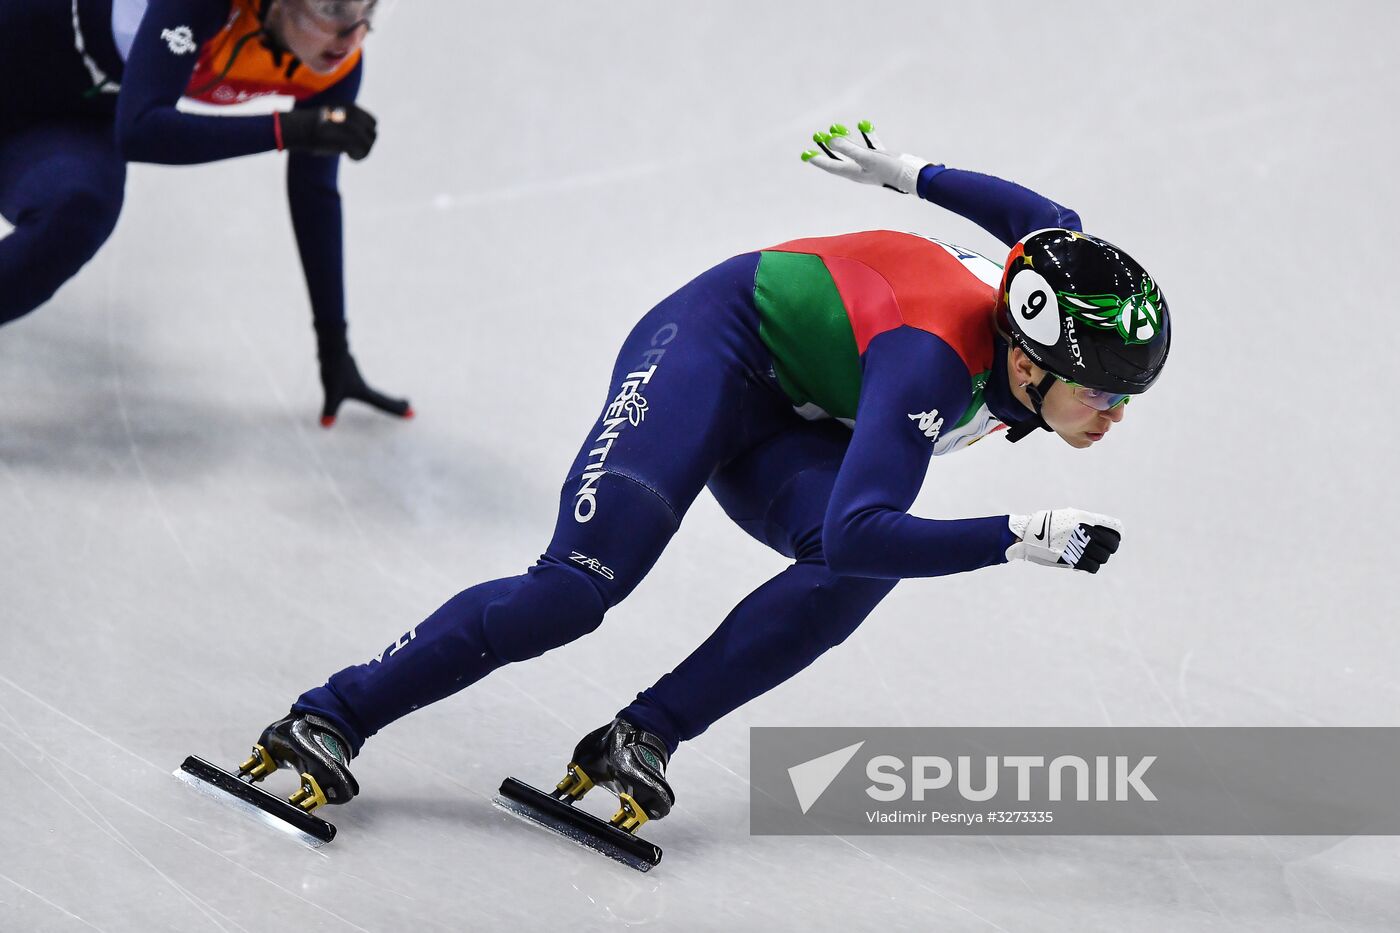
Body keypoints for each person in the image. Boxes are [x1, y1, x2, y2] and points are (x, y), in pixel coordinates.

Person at [236, 122, 1172, 827]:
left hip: (800, 409)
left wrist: (906, 174)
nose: (1114, 412)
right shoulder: (928, 364)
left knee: (857, 578)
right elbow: (855, 525)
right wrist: (1013, 538)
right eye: (1099, 391)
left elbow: (1034, 217)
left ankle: (640, 735)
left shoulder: (1052, 259)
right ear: (1026, 362)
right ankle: (332, 712)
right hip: (708, 352)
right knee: (573, 591)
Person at [0, 0, 408, 426]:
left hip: (58, 127)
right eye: (334, 8)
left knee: (79, 207)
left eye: (369, 10)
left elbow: (315, 189)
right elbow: (140, 131)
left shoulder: (333, 64)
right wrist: (290, 130)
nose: (353, 35)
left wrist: (334, 349)